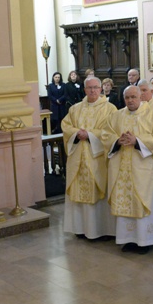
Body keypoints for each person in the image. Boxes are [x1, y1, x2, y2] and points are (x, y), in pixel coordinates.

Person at [102, 85, 153, 254]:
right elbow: (106, 135)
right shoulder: (116, 116)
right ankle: (128, 239)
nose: (130, 101)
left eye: (133, 97)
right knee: (125, 202)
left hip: (145, 170)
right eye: (127, 98)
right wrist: (117, 141)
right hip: (122, 169)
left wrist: (137, 141)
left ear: (141, 97)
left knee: (143, 202)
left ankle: (146, 241)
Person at [61, 76, 117, 240]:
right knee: (79, 192)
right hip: (78, 158)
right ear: (84, 90)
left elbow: (111, 131)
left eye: (95, 87)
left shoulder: (110, 109)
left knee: (98, 191)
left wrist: (90, 135)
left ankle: (101, 230)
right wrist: (76, 133)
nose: (92, 90)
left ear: (101, 89)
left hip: (97, 158)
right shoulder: (75, 109)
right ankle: (80, 229)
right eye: (89, 88)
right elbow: (66, 126)